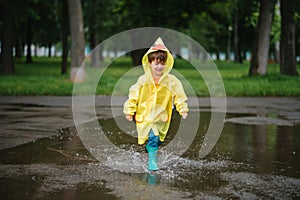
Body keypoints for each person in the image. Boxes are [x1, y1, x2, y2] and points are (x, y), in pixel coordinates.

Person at [123, 37, 189, 171]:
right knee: (153, 138)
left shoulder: (172, 81)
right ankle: (152, 162)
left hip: (161, 116)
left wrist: (182, 109)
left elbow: (179, 95)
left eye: (163, 63)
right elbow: (133, 95)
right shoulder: (143, 80)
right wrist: (130, 111)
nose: (160, 67)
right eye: (156, 63)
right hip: (145, 115)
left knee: (157, 139)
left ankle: (151, 148)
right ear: (149, 63)